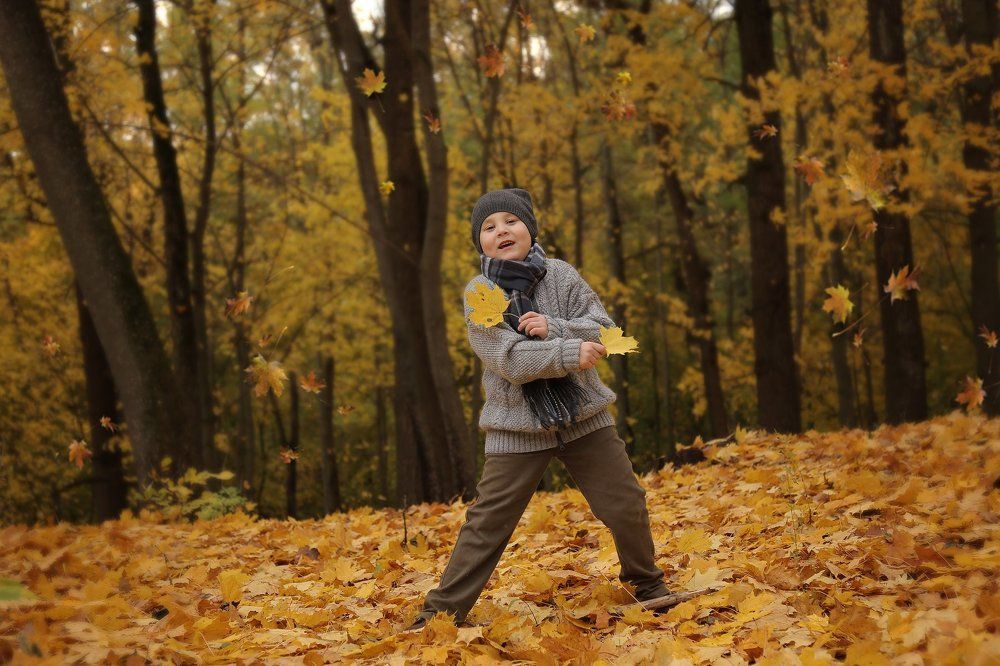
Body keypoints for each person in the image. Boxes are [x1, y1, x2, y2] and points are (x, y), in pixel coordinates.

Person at [404, 187, 670, 632]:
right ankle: (438, 616)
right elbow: (507, 358)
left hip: (584, 415)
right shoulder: (481, 292)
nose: (500, 231)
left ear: (530, 228)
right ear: (480, 243)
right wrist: (566, 352)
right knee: (487, 524)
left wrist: (556, 327)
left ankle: (647, 585)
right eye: (488, 227)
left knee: (626, 503)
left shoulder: (562, 276)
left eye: (510, 221)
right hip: (517, 426)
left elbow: (605, 330)